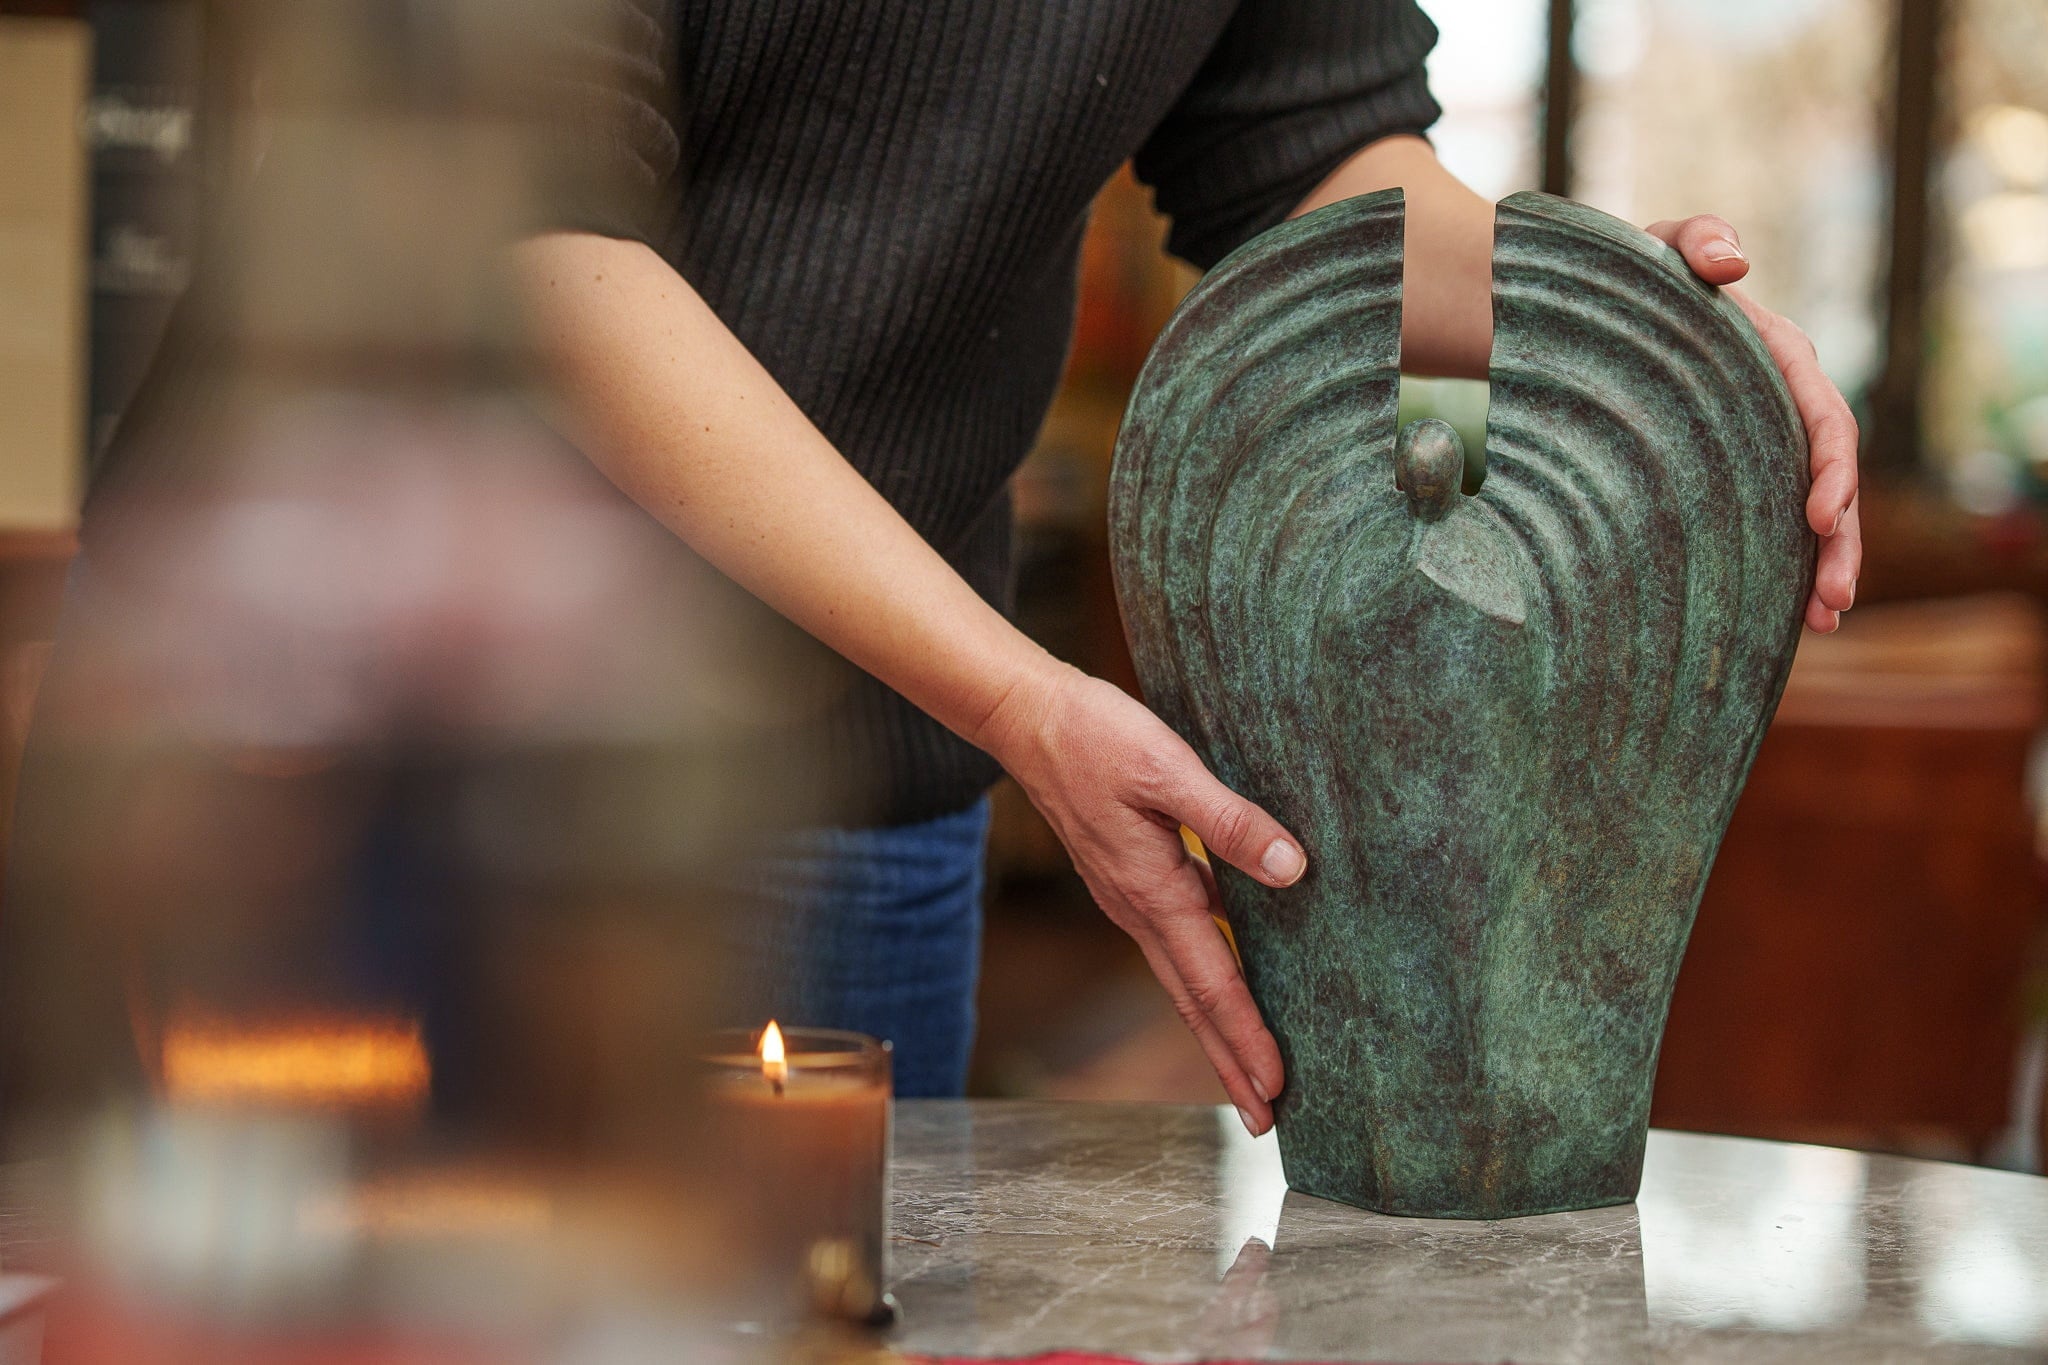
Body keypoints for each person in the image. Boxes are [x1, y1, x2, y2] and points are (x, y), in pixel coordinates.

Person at [515, 0, 1862, 1126]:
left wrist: (1639, 328)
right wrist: (1014, 698)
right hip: (488, 774)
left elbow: (1313, 161)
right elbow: (536, 237)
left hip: (877, 782)